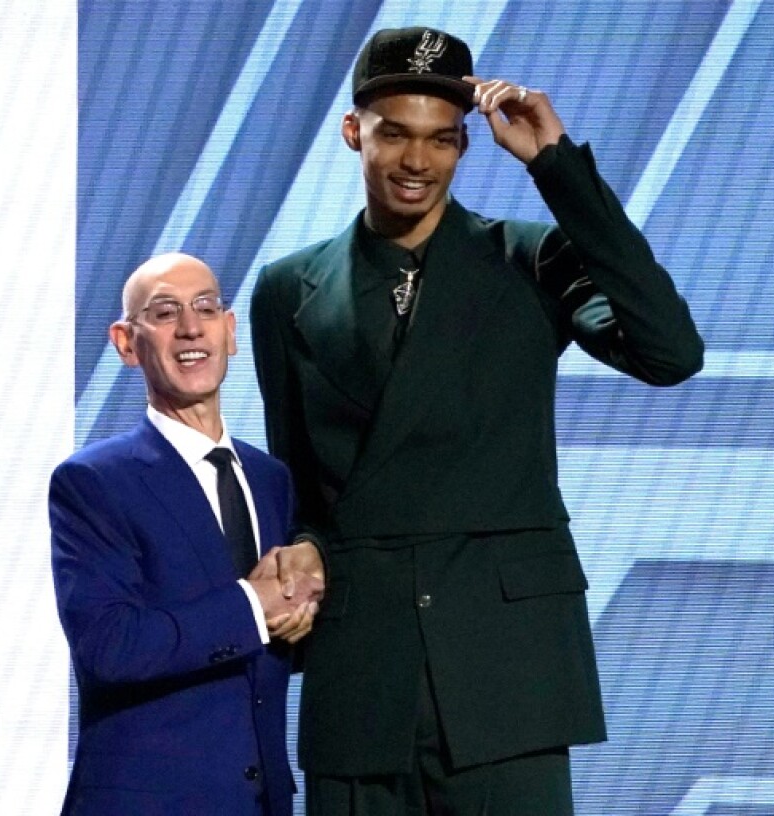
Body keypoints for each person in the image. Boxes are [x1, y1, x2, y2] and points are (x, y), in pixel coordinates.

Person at [249, 26, 704, 815]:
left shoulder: (532, 259)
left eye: (442, 140)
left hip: (506, 675)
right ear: (354, 131)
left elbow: (669, 352)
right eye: (395, 134)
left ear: (464, 146)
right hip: (363, 675)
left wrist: (556, 168)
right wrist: (303, 559)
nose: (417, 162)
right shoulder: (287, 290)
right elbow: (305, 496)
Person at [49, 253, 324, 816]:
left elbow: (266, 648)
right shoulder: (94, 481)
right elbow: (111, 646)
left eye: (205, 307)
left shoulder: (271, 480)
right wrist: (254, 605)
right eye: (166, 312)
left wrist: (301, 614)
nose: (191, 327)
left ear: (230, 331)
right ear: (127, 343)